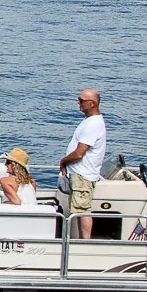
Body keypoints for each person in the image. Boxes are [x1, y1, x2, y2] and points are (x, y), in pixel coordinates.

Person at [58, 89, 106, 235]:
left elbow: (79, 153)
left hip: (83, 175)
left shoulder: (93, 124)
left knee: (82, 210)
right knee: (78, 210)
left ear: (92, 104)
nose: (78, 102)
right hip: (80, 174)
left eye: (81, 100)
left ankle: (85, 241)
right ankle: (82, 239)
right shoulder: (89, 122)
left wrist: (63, 161)